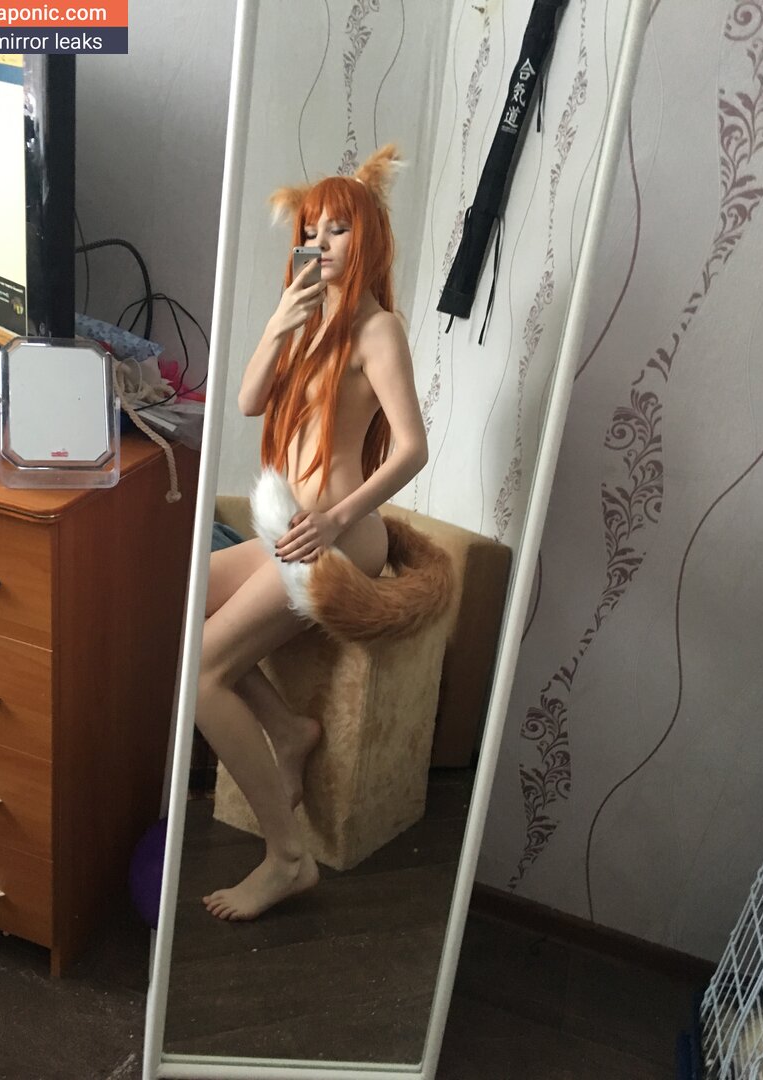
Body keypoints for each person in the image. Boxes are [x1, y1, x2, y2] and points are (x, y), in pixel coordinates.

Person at [197, 145, 429, 921]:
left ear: (367, 237)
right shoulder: (306, 318)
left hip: (337, 536)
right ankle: (287, 730)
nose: (321, 243)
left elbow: (411, 448)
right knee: (186, 605)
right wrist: (278, 322)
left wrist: (337, 516)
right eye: (310, 230)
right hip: (283, 528)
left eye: (337, 229)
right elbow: (248, 400)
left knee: (200, 674)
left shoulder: (377, 330)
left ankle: (287, 857)